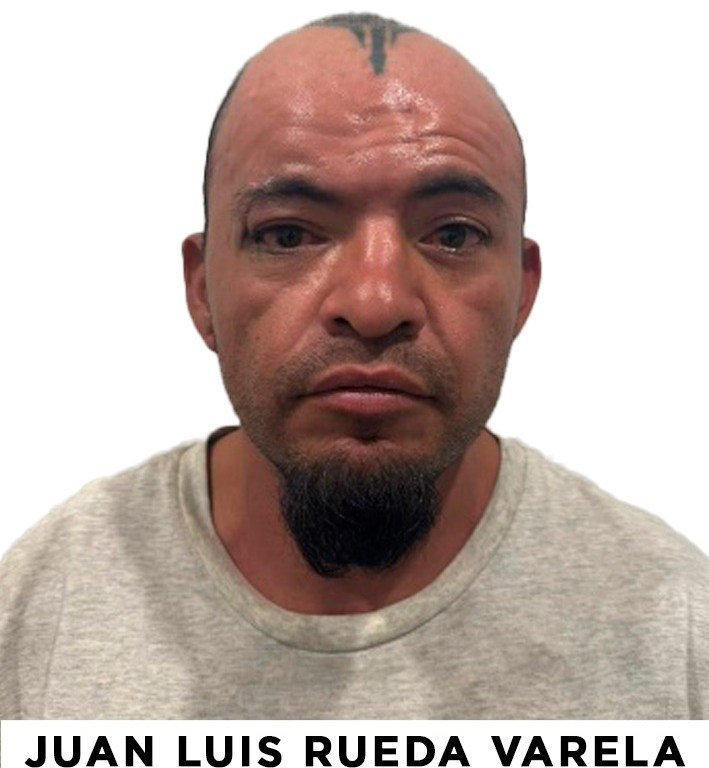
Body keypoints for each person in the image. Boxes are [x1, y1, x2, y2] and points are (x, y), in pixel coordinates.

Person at [1, 13, 707, 719]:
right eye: (287, 235)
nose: (374, 304)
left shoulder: (675, 628)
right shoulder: (42, 608)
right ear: (202, 289)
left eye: (453, 235)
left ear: (521, 292)